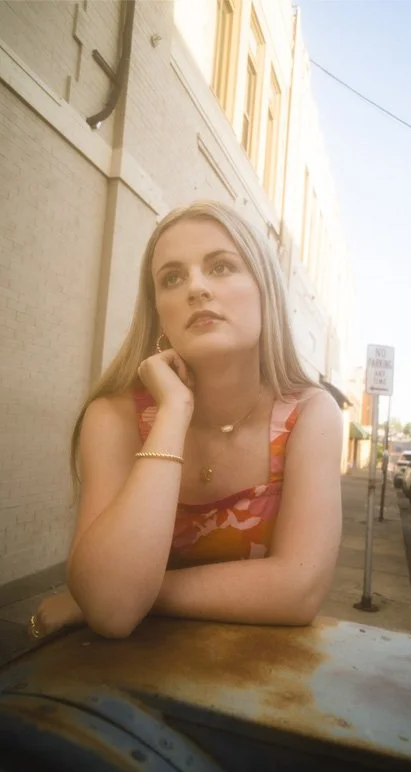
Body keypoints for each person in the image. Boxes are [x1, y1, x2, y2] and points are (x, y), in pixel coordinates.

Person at [28, 200, 342, 641]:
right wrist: (173, 411)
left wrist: (137, 593)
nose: (195, 288)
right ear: (159, 314)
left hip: (265, 672)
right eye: (172, 278)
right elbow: (113, 612)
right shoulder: (115, 417)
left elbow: (299, 590)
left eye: (221, 267)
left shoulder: (310, 415)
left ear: (265, 291)